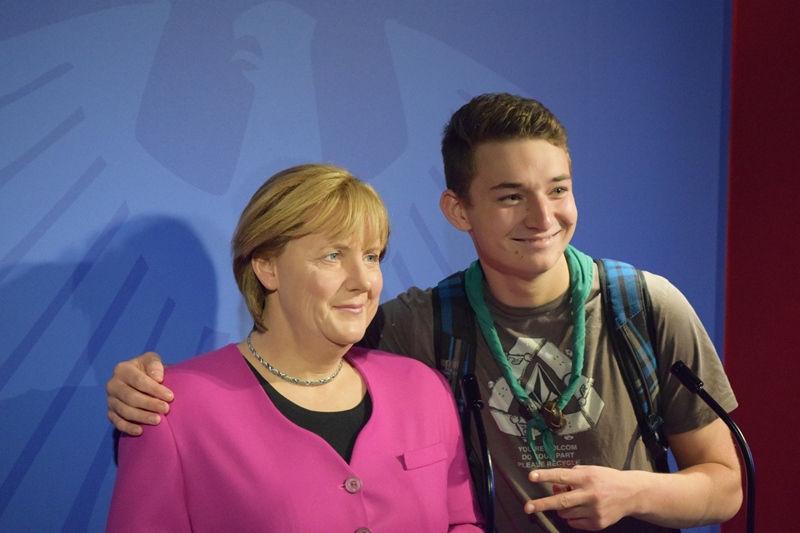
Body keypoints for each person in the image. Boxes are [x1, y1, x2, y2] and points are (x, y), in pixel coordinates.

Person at [106, 94, 742, 532]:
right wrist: (144, 395)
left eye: (558, 190)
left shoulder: (645, 307)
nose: (543, 217)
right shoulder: (415, 327)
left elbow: (727, 484)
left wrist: (634, 492)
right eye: (511, 197)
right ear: (459, 210)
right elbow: (288, 365)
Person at [106, 164, 483, 532]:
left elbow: (462, 523)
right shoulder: (169, 406)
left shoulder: (423, 389)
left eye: (371, 256)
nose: (363, 281)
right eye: (333, 255)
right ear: (267, 267)